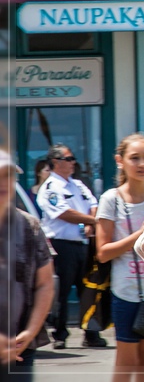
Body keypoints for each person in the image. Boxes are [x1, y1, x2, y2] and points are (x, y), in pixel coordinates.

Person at [94, 133, 144, 382]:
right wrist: (140, 235)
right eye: (134, 158)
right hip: (126, 293)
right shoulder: (110, 200)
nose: (141, 164)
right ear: (120, 161)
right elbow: (103, 253)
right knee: (126, 365)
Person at [36, 143, 107, 349]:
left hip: (82, 245)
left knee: (89, 290)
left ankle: (91, 333)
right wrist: (91, 222)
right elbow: (63, 213)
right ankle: (60, 334)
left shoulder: (78, 185)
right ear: (56, 162)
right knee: (62, 292)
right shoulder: (50, 188)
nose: (73, 162)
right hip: (61, 246)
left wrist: (90, 220)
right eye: (69, 159)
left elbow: (94, 204)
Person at [0, 149, 55, 382]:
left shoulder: (29, 226)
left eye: (8, 175)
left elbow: (44, 283)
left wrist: (30, 332)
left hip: (20, 350)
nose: (3, 182)